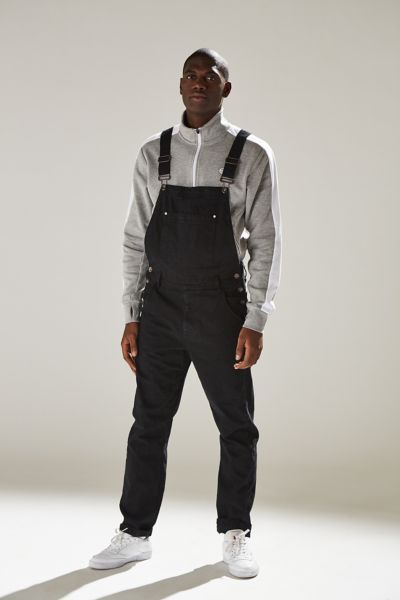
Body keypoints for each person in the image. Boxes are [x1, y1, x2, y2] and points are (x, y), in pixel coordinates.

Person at [89, 47, 282, 578]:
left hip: (223, 308)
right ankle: (134, 533)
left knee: (236, 424)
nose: (199, 83)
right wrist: (132, 313)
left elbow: (266, 241)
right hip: (161, 305)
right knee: (148, 422)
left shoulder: (252, 154)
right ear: (180, 86)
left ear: (225, 88)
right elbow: (135, 237)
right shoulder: (154, 152)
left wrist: (256, 318)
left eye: (210, 77)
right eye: (190, 76)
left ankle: (236, 532)